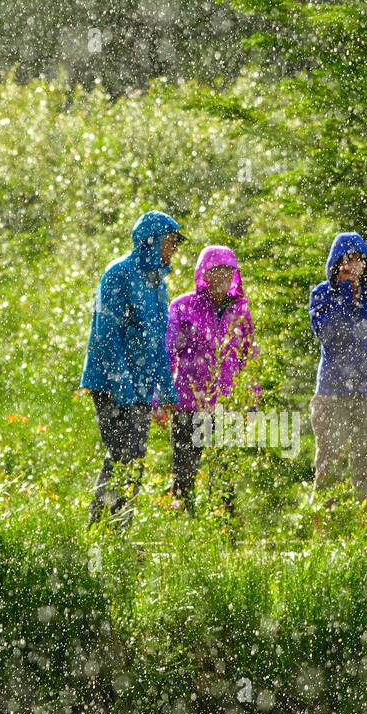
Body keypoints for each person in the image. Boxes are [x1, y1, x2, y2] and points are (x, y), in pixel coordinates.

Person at [80, 210, 186, 524]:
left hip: (140, 388)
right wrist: (122, 385)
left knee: (135, 459)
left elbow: (158, 342)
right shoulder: (118, 273)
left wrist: (166, 391)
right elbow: (106, 334)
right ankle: (99, 527)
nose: (173, 249)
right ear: (151, 240)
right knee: (120, 456)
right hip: (110, 385)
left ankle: (121, 526)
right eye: (171, 241)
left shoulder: (157, 283)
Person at [308, 231, 367, 507]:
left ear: (365, 262)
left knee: (365, 466)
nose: (349, 266)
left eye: (356, 260)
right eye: (344, 261)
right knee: (328, 466)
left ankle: (366, 528)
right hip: (331, 391)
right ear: (334, 264)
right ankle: (323, 528)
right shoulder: (321, 294)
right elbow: (326, 333)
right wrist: (346, 296)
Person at [164, 245, 256, 514]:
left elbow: (248, 356)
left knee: (225, 478)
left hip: (225, 407)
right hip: (187, 405)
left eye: (229, 271)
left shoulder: (241, 309)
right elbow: (167, 351)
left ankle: (226, 537)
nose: (223, 276)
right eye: (217, 270)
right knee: (184, 475)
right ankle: (183, 530)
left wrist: (252, 399)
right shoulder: (182, 306)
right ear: (204, 273)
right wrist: (161, 396)